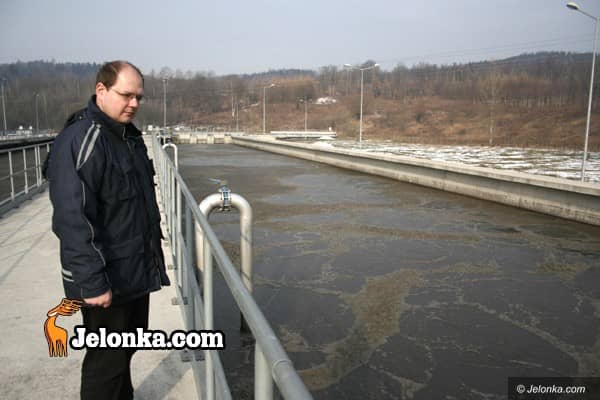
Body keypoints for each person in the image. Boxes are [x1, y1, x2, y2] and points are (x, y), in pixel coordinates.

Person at [47, 60, 170, 400]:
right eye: (126, 95)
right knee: (106, 362)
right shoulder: (82, 139)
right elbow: (72, 219)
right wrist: (92, 282)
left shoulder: (128, 137)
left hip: (133, 271)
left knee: (126, 348)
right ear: (101, 90)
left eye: (139, 97)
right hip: (105, 278)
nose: (134, 103)